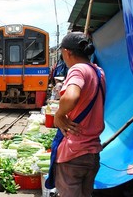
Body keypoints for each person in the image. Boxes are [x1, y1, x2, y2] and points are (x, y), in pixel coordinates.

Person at [50, 32, 106, 197]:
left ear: (67, 52)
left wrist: (59, 115)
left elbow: (71, 96)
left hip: (74, 153)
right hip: (92, 153)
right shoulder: (98, 72)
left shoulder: (78, 69)